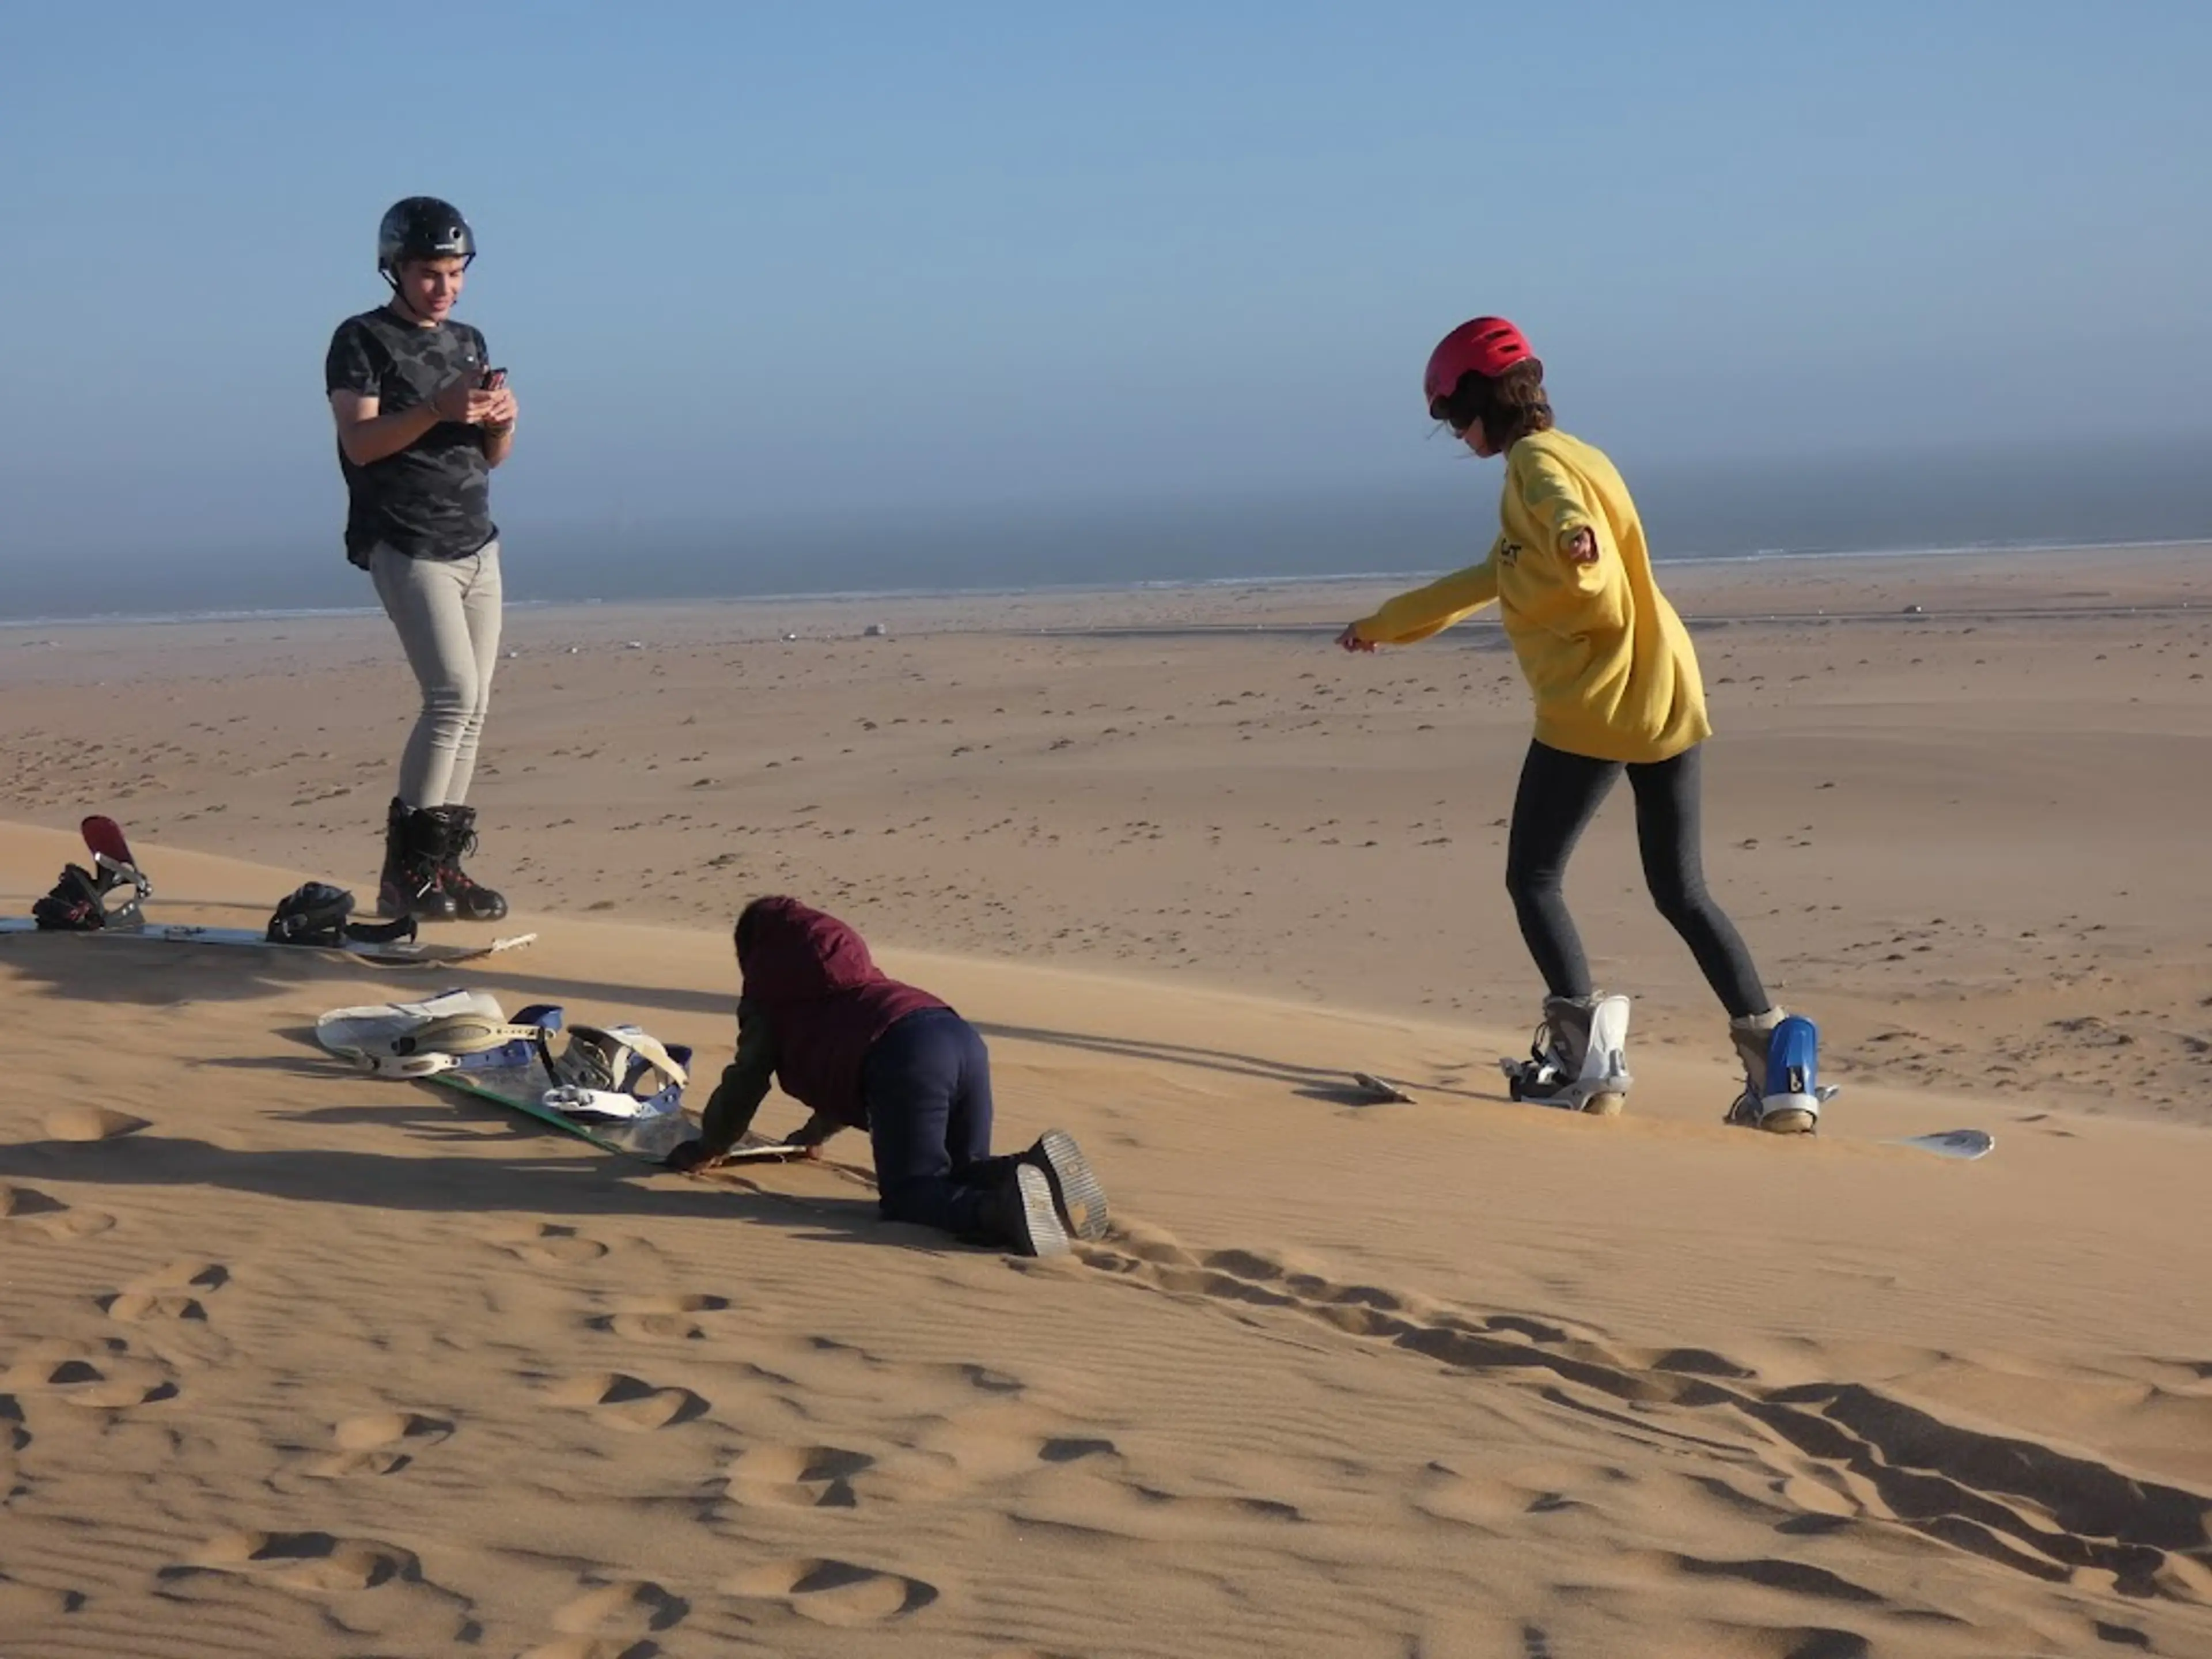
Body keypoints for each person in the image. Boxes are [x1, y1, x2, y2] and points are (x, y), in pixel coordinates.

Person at [1336, 317, 1815, 1132]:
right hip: (1667, 693)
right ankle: (1781, 1070)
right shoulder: (1586, 453)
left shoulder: (1535, 465)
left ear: (1479, 402)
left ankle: (1584, 1061)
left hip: (1594, 708)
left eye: (1454, 417)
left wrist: (1576, 545)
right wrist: (1385, 624)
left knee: (1534, 880)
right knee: (1683, 891)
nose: (1458, 435)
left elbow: (1567, 527)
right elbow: (1487, 576)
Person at [665, 896, 1112, 1252]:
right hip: (955, 1033)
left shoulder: (771, 999)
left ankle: (1000, 1212)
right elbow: (841, 1054)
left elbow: (748, 1078)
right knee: (963, 1167)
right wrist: (813, 1134)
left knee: (909, 1194)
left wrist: (712, 1144)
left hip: (905, 1055)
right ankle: (1035, 1168)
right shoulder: (854, 978)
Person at [325, 196, 515, 924]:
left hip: (477, 541)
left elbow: (490, 458)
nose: (445, 286)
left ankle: (442, 867)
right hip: (405, 540)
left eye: (455, 271)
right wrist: (437, 407)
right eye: (431, 272)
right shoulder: (362, 339)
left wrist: (503, 420)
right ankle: (406, 874)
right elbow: (362, 444)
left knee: (475, 709)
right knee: (451, 698)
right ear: (396, 269)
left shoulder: (468, 340)